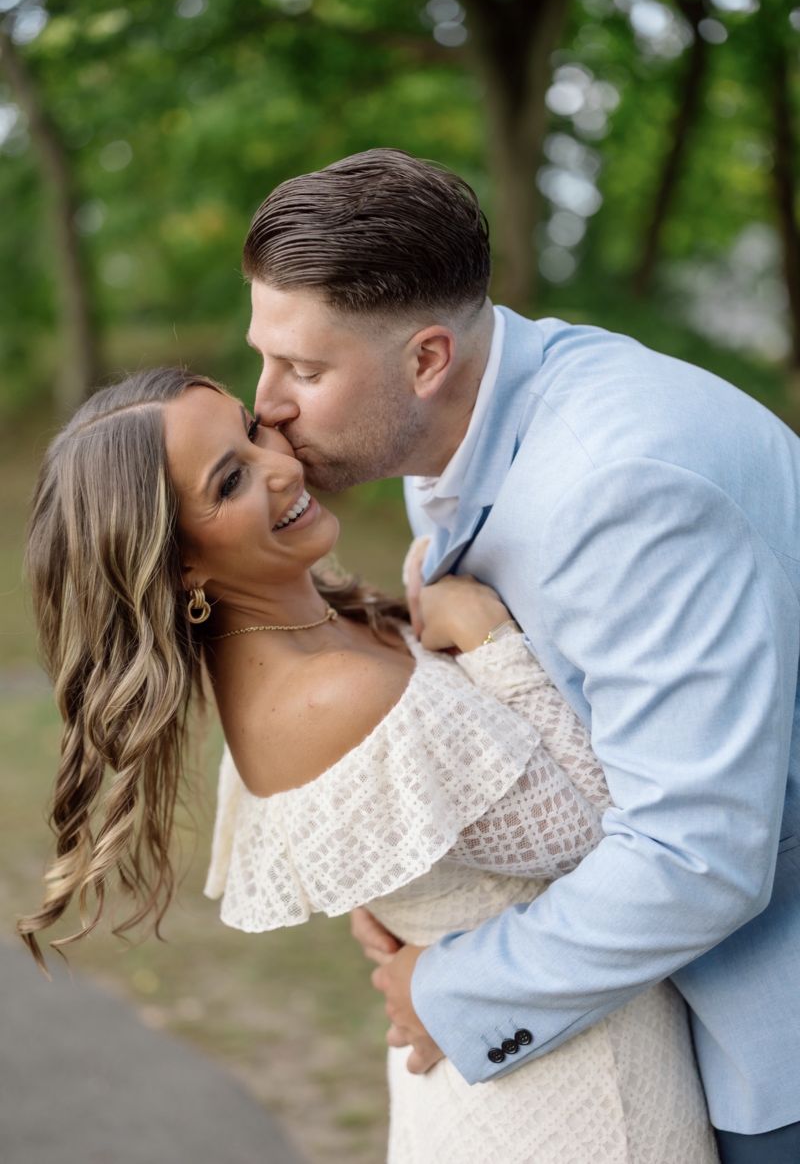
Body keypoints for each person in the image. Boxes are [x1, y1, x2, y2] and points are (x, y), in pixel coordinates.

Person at [240, 148, 800, 1163]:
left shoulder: (621, 483)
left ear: (426, 358)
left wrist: (453, 988)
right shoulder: (452, 429)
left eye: (305, 370)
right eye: (266, 358)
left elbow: (701, 853)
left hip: (769, 1044)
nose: (266, 403)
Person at [19, 367, 719, 1162]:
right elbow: (622, 838)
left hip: (517, 1054)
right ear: (181, 567)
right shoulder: (331, 693)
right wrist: (488, 638)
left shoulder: (316, 637)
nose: (281, 465)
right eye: (231, 480)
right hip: (576, 1104)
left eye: (251, 428)